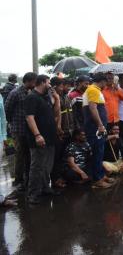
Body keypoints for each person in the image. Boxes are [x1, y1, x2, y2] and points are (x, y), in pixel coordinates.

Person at [24, 75, 60, 204]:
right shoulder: (31, 97)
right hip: (39, 138)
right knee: (37, 166)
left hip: (50, 137)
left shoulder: (45, 97)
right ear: (43, 82)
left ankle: (45, 188)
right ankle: (32, 194)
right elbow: (29, 118)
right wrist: (37, 135)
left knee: (47, 166)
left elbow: (56, 114)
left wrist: (57, 99)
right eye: (49, 83)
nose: (50, 85)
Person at [4, 72, 37, 190]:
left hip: (29, 129)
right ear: (28, 81)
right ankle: (18, 180)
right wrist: (12, 123)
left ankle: (27, 178)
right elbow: (7, 109)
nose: (35, 84)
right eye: (34, 81)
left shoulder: (32, 92)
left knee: (29, 155)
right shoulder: (15, 93)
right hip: (18, 129)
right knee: (20, 155)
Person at [83, 73, 114, 189]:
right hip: (94, 127)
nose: (106, 84)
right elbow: (92, 108)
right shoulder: (93, 90)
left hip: (97, 127)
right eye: (106, 82)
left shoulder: (95, 90)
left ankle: (100, 175)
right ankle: (97, 179)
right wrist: (100, 125)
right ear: (102, 81)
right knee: (96, 151)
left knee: (100, 151)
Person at [51, 77, 75, 188]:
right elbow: (55, 116)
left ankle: (64, 176)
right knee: (57, 157)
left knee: (65, 156)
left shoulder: (66, 96)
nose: (68, 87)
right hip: (59, 132)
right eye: (64, 85)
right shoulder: (53, 98)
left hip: (69, 131)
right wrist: (57, 129)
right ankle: (56, 179)